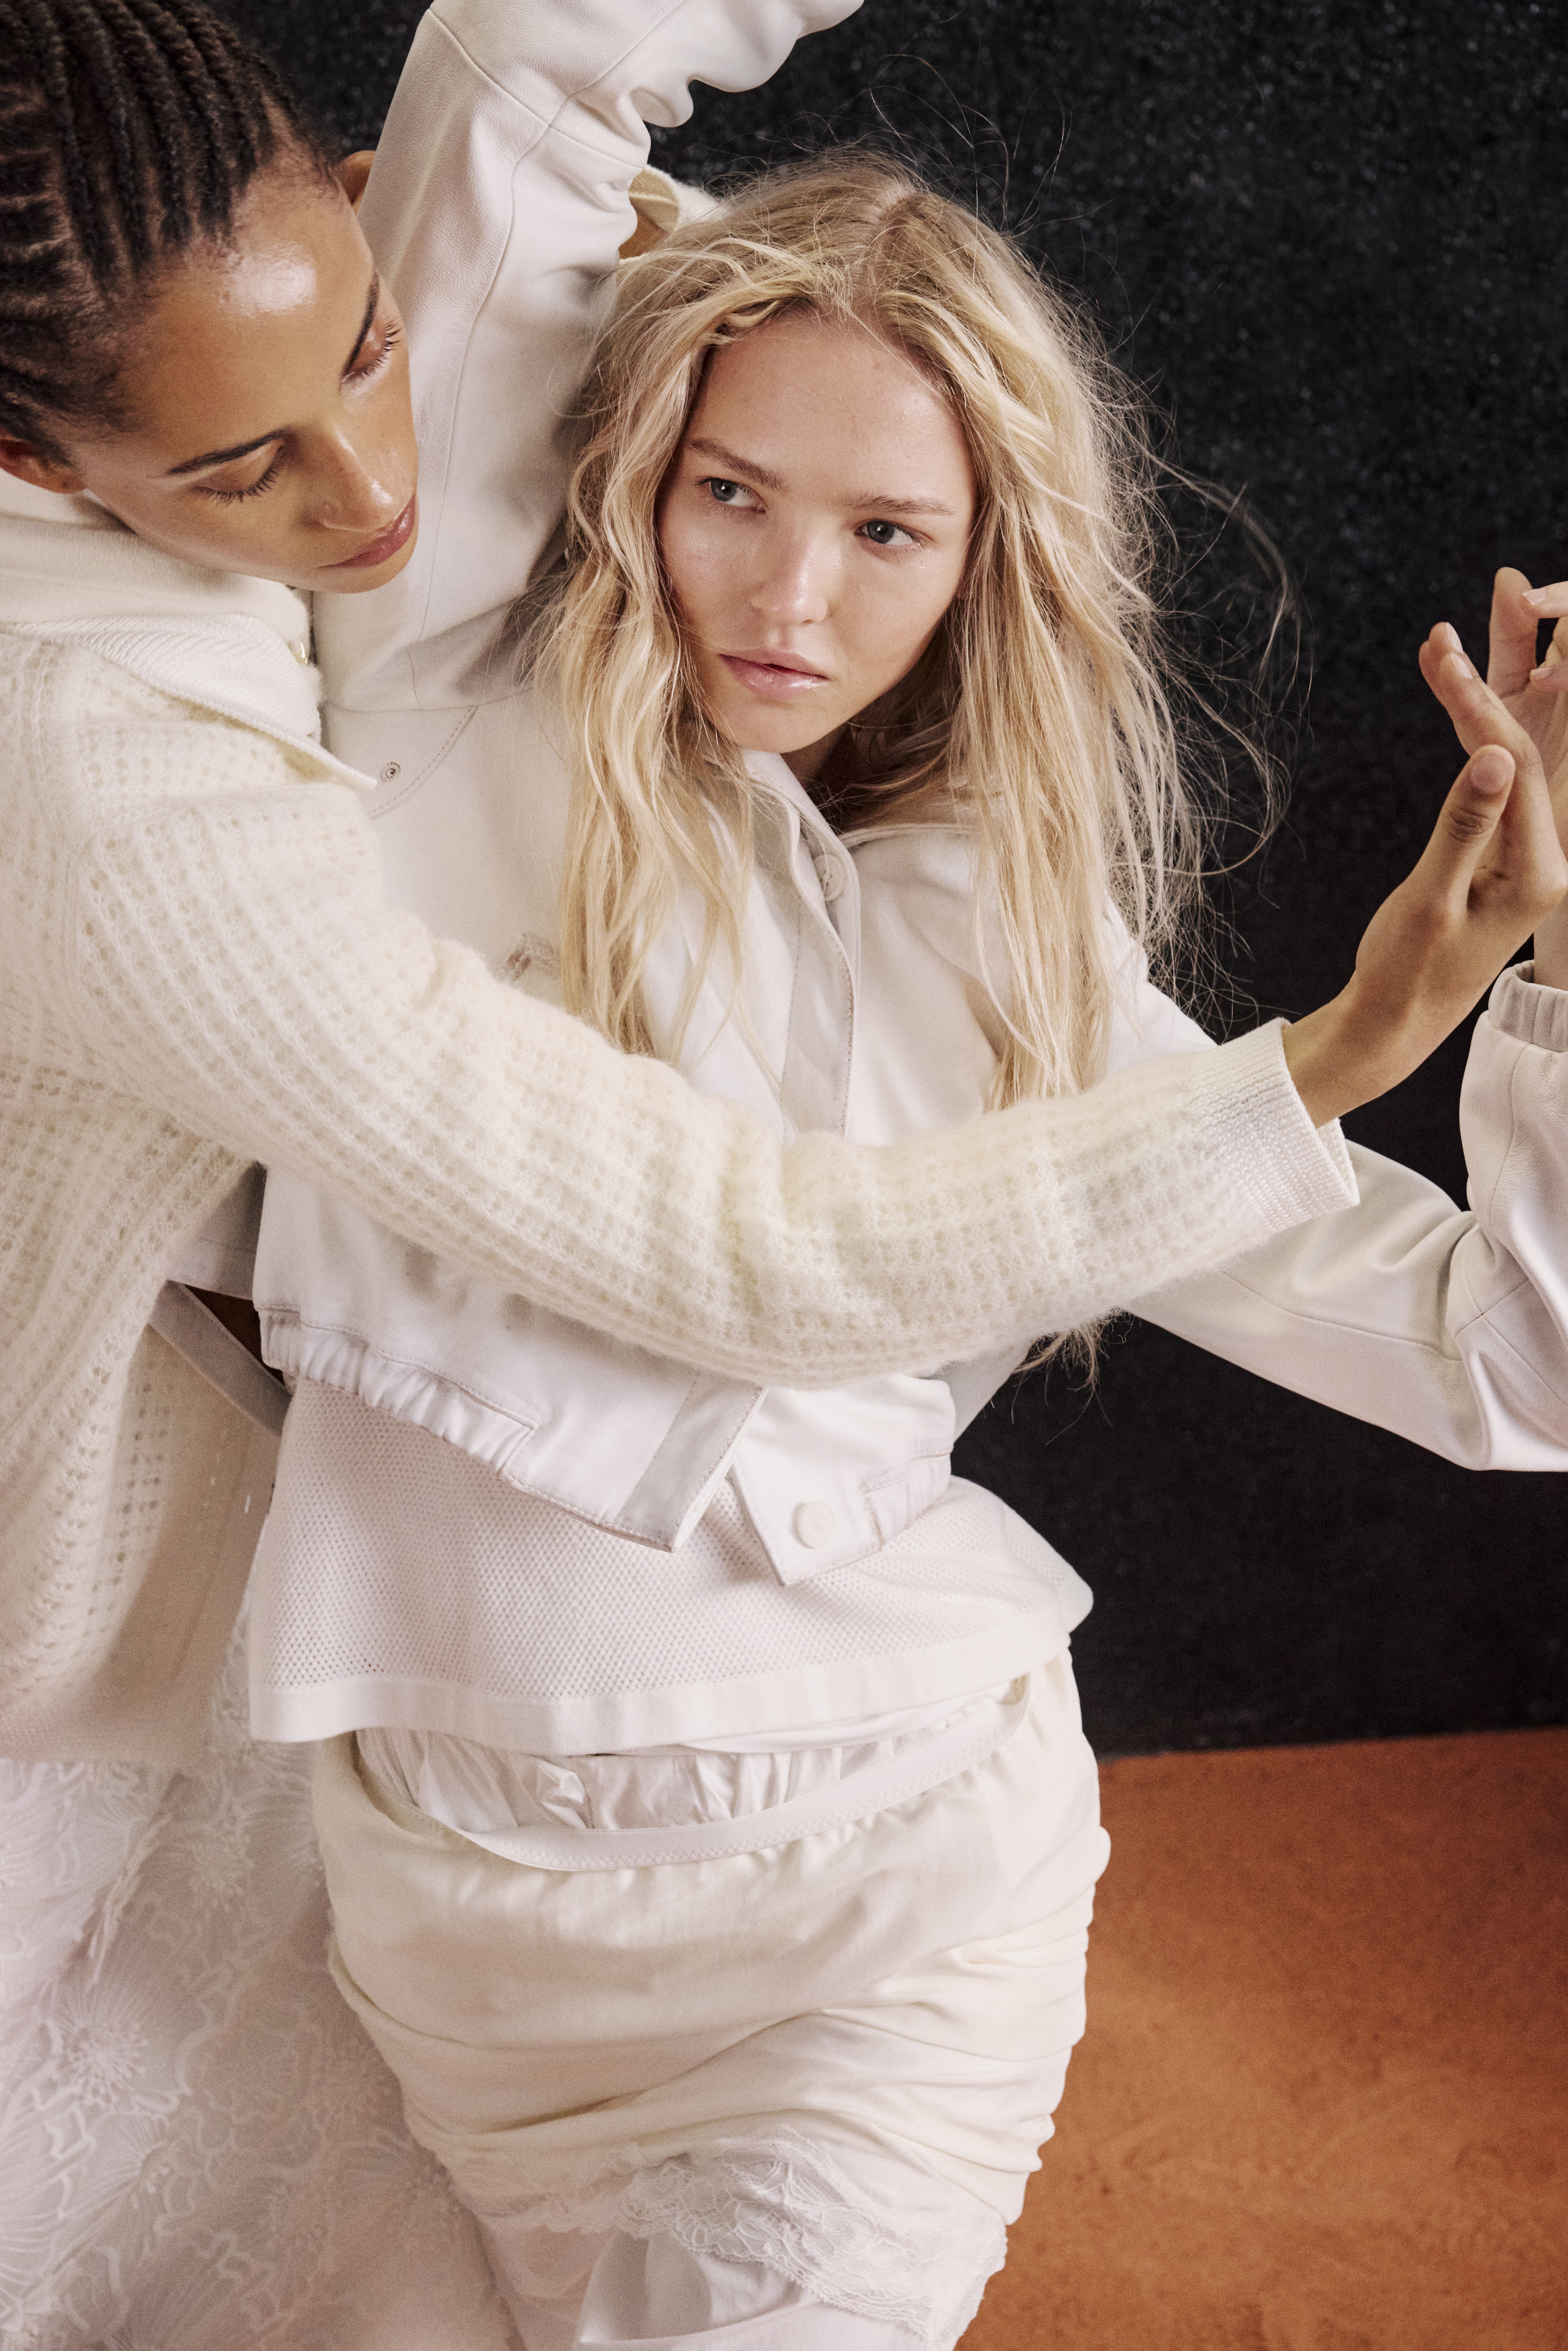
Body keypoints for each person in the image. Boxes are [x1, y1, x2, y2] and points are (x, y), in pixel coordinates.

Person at [238, 8, 1568, 2345]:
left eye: (885, 533)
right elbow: (526, 58)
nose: (789, 595)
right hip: (452, 1955)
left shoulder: (1011, 967)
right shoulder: (459, 697)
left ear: (981, 566)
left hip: (882, 1911)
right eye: (731, 491)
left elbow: (1509, 1363)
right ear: (635, 467)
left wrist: (1547, 979)